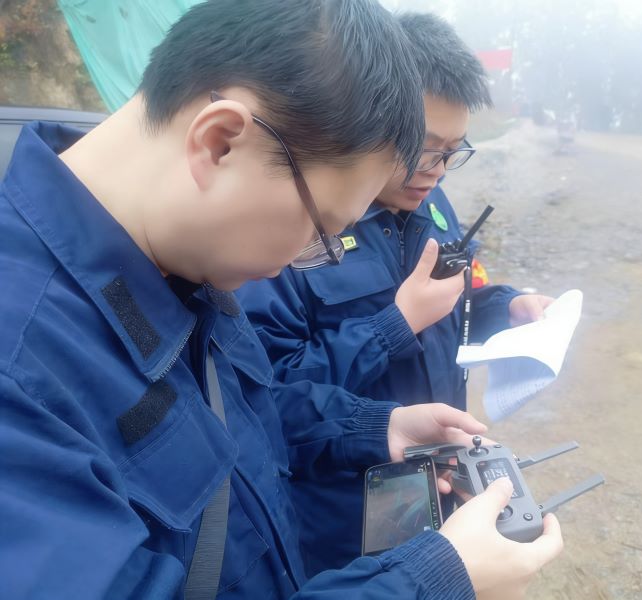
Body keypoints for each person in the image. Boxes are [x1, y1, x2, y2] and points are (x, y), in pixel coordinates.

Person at [0, 1, 563, 598]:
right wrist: (433, 581)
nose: (300, 260)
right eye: (321, 231)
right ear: (219, 143)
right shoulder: (20, 370)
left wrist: (374, 426)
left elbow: (244, 421)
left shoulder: (184, 267)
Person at [238, 12, 556, 576]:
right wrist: (394, 325)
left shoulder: (436, 206)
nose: (436, 170)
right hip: (338, 513)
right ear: (370, 116)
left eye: (452, 150)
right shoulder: (302, 225)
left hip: (437, 482)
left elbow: (457, 302)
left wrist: (506, 306)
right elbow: (264, 393)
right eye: (422, 148)